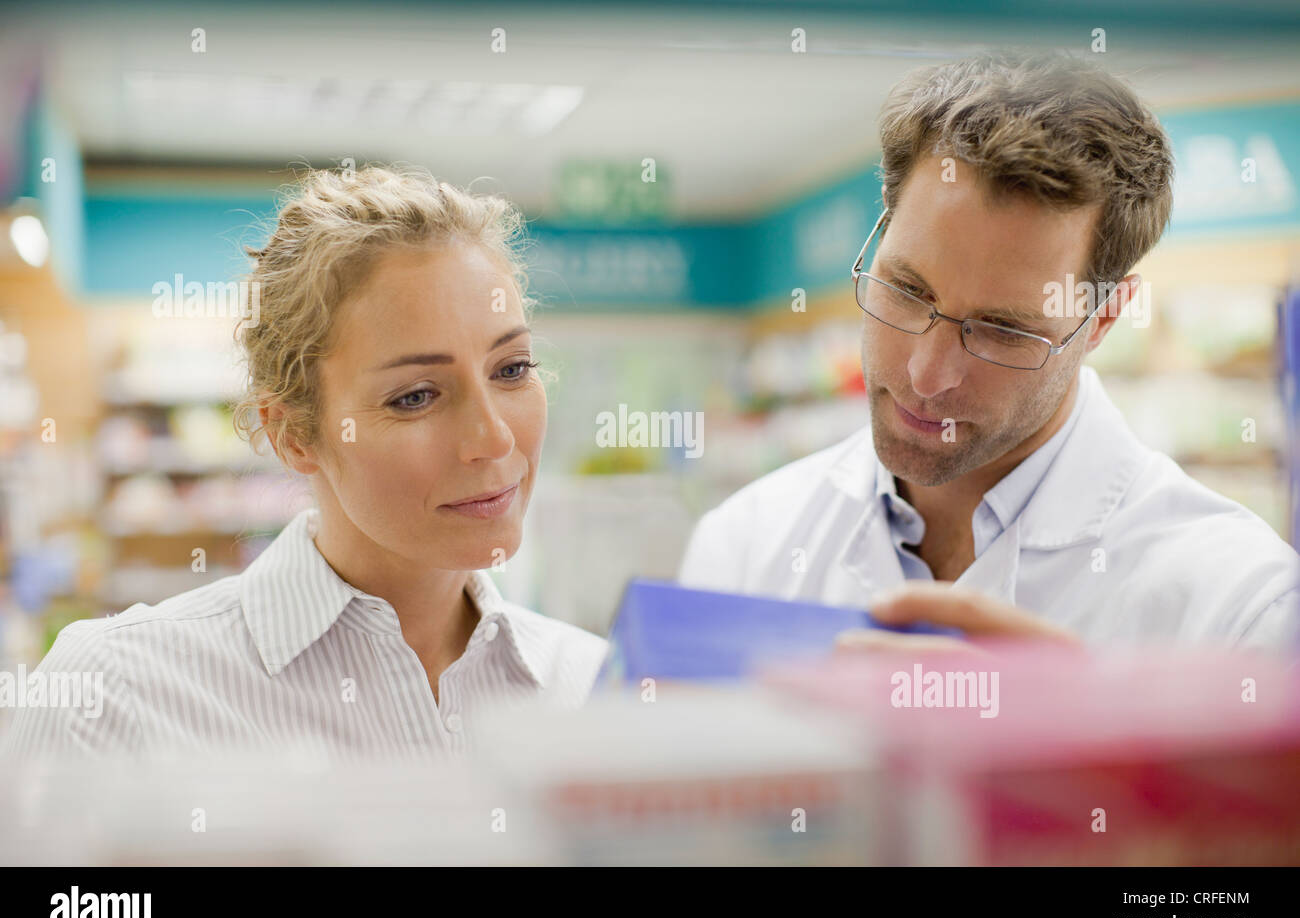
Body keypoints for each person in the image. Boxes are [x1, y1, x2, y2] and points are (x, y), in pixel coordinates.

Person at [678, 51, 1300, 652]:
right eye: (906, 290)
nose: (926, 376)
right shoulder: (747, 545)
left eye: (1002, 329)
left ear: (1104, 318)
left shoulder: (1241, 611)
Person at [3, 165, 608, 759]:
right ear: (293, 434)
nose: (495, 439)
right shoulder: (113, 699)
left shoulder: (594, 691)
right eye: (415, 397)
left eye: (512, 369)